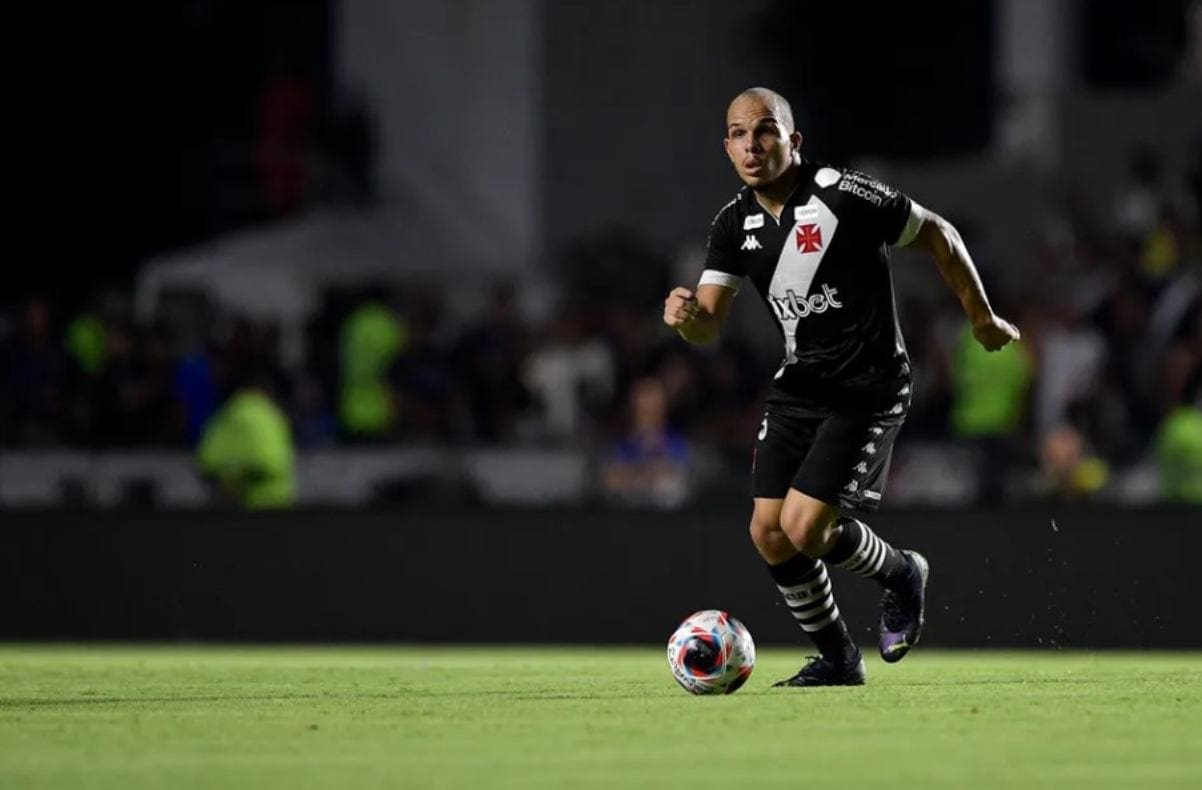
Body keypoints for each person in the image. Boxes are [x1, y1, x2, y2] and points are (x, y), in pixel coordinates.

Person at [663, 87, 1019, 687]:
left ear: (792, 139)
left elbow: (937, 232)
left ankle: (903, 571)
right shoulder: (732, 225)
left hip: (869, 383)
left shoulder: (844, 193)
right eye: (739, 134)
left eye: (766, 130)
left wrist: (980, 316)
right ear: (726, 147)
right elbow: (710, 323)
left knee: (806, 529)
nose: (753, 145)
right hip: (801, 386)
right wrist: (689, 321)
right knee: (769, 532)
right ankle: (838, 659)